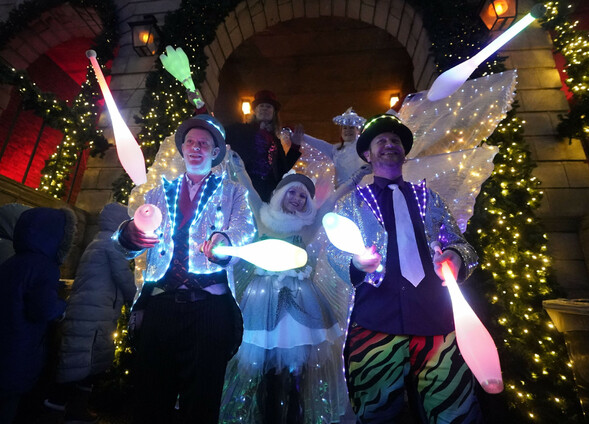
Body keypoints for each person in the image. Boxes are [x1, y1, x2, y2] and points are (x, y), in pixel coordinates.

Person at [327, 114, 484, 423]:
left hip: (438, 321)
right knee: (376, 414)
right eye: (381, 141)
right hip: (375, 323)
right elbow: (335, 253)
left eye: (395, 140)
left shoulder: (430, 198)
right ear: (367, 154)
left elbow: (461, 244)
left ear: (404, 152)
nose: (389, 144)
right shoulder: (353, 203)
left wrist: (454, 256)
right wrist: (356, 263)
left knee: (455, 414)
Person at [113, 114, 256, 424]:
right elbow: (129, 243)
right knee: (150, 400)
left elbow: (246, 229)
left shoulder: (233, 192)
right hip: (161, 307)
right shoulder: (157, 192)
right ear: (182, 149)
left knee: (202, 402)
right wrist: (129, 234)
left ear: (215, 152)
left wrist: (224, 241)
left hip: (210, 310)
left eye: (203, 143)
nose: (195, 148)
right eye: (190, 142)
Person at [219, 165, 369, 423]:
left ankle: (293, 418)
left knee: (295, 374)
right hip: (262, 301)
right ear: (281, 193)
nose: (297, 199)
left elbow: (332, 199)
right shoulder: (263, 217)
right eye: (293, 192)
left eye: (303, 196)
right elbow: (250, 190)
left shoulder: (308, 226)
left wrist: (355, 178)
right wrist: (238, 166)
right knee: (266, 374)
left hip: (300, 300)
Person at [43, 202, 136, 423]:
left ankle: (73, 410)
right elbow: (123, 277)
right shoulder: (112, 244)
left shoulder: (98, 241)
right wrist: (138, 296)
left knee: (83, 364)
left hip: (89, 310)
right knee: (78, 365)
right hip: (93, 314)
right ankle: (56, 411)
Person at [0, 207, 76, 424]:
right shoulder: (45, 267)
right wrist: (62, 306)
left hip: (6, 339)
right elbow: (42, 309)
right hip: (19, 348)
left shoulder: (13, 262)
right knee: (8, 407)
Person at [226, 89, 302, 202]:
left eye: (268, 106)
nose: (265, 109)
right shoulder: (240, 130)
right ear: (255, 110)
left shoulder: (275, 141)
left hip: (266, 192)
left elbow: (282, 169)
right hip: (243, 186)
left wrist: (295, 147)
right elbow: (217, 132)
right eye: (261, 106)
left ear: (274, 113)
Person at [300, 107, 367, 186]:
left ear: (357, 130)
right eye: (345, 128)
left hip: (361, 189)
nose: (348, 130)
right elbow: (317, 143)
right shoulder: (335, 149)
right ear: (341, 131)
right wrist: (300, 135)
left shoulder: (363, 147)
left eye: (351, 127)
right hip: (340, 191)